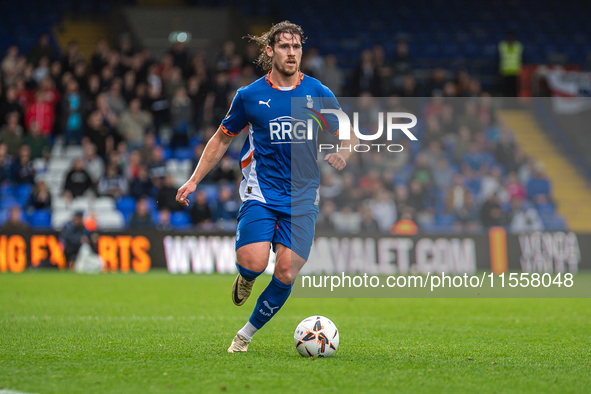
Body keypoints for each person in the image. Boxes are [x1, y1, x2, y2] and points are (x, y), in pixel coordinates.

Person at [175, 21, 357, 353]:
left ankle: (243, 336)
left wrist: (343, 151)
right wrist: (194, 179)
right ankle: (245, 278)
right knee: (254, 264)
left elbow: (347, 129)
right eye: (285, 47)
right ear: (270, 51)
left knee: (286, 273)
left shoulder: (316, 92)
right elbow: (221, 139)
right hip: (260, 193)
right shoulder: (250, 96)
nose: (292, 53)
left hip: (302, 199)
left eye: (297, 47)